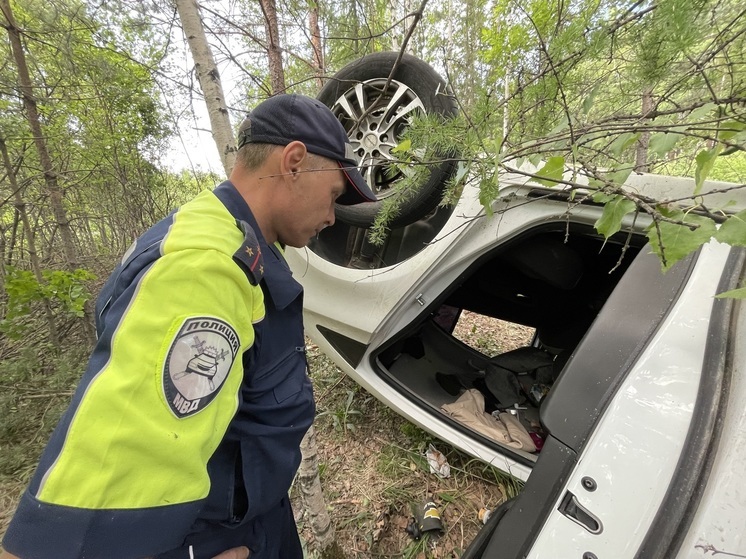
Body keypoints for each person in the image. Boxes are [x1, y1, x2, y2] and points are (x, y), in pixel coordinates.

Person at [0, 94, 376, 559]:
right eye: (335, 195)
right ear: (294, 162)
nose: (332, 216)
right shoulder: (203, 266)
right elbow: (112, 467)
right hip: (214, 536)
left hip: (253, 514)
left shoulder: (231, 235)